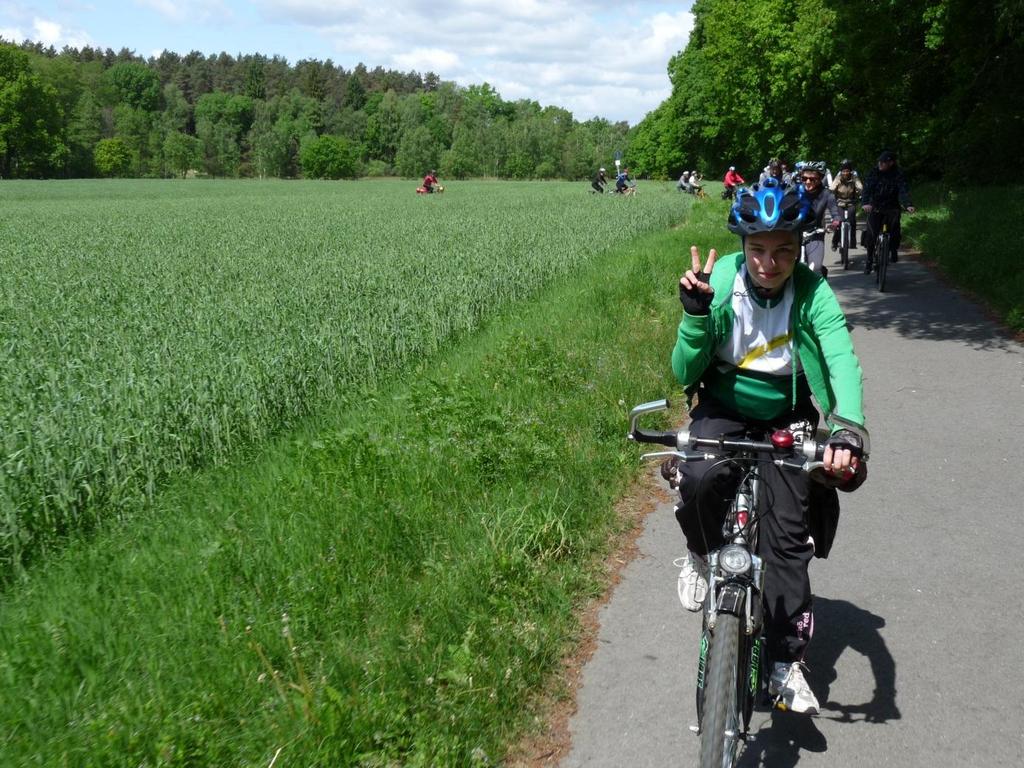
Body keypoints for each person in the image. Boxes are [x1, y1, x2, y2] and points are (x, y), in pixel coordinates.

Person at [671, 178, 867, 714]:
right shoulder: (721, 284)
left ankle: (784, 662)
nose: (768, 262)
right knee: (697, 479)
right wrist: (693, 317)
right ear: (742, 247)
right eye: (757, 249)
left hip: (787, 415)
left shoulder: (812, 291)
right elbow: (682, 371)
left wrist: (848, 427)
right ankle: (697, 553)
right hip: (724, 406)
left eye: (783, 250)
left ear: (799, 247)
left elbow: (841, 359)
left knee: (787, 535)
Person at [861, 150, 915, 274]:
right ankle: (869, 260)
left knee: (895, 230)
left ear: (891, 163)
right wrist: (865, 203)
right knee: (871, 234)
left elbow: (903, 190)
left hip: (892, 206)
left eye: (883, 162)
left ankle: (893, 249)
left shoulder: (898, 174)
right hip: (875, 206)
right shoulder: (874, 172)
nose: (880, 164)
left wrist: (908, 205)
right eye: (879, 161)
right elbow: (867, 189)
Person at [796, 161, 840, 274]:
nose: (808, 182)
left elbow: (835, 212)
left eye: (812, 179)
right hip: (794, 234)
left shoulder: (827, 194)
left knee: (815, 268)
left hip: (815, 234)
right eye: (804, 178)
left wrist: (835, 222)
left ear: (820, 178)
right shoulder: (795, 191)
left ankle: (819, 283)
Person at [830, 159, 863, 254]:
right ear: (841, 171)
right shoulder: (838, 178)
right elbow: (832, 188)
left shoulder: (854, 177)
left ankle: (852, 242)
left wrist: (860, 190)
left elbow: (860, 187)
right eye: (844, 171)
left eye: (847, 170)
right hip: (839, 202)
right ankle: (835, 242)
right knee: (839, 222)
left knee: (852, 220)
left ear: (850, 171)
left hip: (851, 202)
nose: (845, 173)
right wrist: (832, 190)